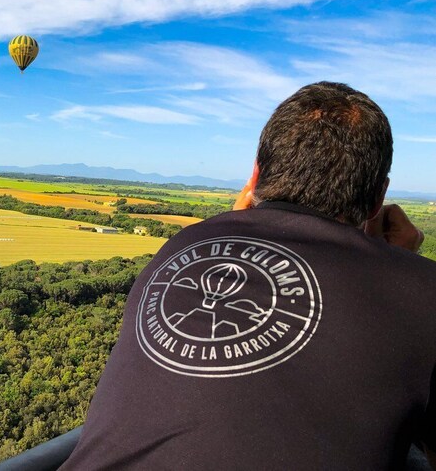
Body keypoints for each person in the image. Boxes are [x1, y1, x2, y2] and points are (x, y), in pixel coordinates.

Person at [61, 82, 436, 470]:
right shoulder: (423, 291)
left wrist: (233, 225)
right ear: (379, 198)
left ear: (255, 175)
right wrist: (399, 267)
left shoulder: (180, 247)